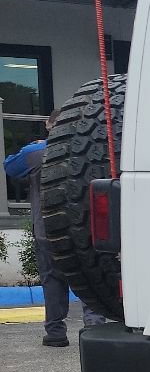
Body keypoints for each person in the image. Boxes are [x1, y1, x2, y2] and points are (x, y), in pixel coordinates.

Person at [3, 138, 104, 346]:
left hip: (49, 228)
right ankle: (94, 328)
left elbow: (10, 166)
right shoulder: (92, 147)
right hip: (86, 227)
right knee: (90, 276)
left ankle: (56, 331)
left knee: (52, 278)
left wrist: (33, 146)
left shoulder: (37, 152)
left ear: (51, 126)